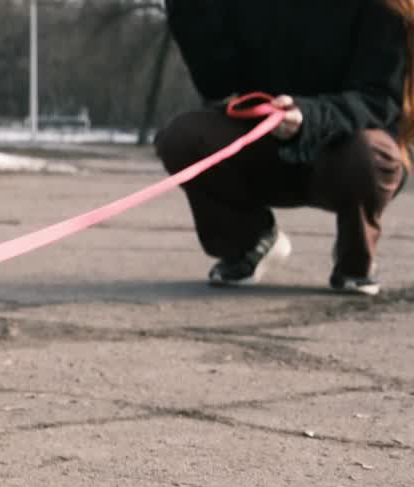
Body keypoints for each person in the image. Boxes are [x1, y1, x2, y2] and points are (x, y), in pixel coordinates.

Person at [156, 0, 412, 296]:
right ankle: (250, 243)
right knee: (183, 139)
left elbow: (379, 101)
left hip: (345, 149)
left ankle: (356, 258)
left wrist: (308, 116)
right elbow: (217, 82)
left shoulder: (383, 8)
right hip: (267, 143)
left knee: (369, 158)